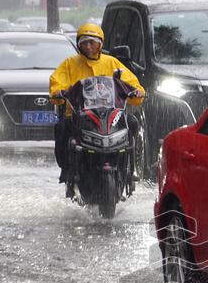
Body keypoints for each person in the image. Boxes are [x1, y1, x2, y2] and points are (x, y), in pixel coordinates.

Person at [50, 23, 145, 195]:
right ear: (78, 44)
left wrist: (137, 91)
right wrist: (58, 92)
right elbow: (56, 83)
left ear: (100, 43)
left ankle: (131, 170)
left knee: (132, 123)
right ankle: (67, 170)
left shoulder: (112, 63)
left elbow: (131, 83)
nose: (88, 47)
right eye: (84, 42)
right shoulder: (69, 64)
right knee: (62, 128)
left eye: (92, 42)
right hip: (79, 115)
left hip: (111, 114)